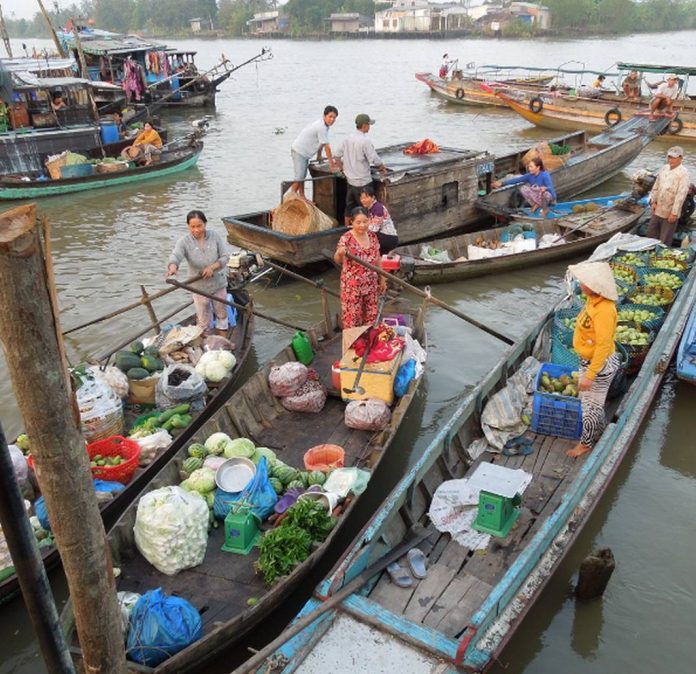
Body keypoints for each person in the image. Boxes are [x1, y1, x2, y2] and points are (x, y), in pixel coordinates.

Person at [566, 261, 621, 459]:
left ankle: (585, 444)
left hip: (599, 365)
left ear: (595, 286)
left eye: (584, 281)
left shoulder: (605, 310)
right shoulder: (592, 300)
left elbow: (604, 347)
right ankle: (599, 431)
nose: (580, 283)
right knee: (592, 403)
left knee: (589, 407)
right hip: (587, 361)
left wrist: (590, 375)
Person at [166, 210, 230, 336]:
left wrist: (212, 267)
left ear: (205, 224)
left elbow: (224, 257)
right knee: (203, 320)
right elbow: (176, 255)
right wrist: (173, 267)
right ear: (188, 226)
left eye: (199, 226)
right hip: (199, 287)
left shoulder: (214, 236)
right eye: (192, 227)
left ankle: (224, 342)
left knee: (221, 314)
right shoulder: (184, 241)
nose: (196, 230)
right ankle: (207, 343)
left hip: (218, 283)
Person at [334, 206, 386, 329]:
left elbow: (378, 258)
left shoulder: (373, 236)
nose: (362, 225)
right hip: (352, 288)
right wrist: (340, 252)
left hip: (371, 285)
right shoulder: (346, 238)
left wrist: (382, 279)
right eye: (358, 222)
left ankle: (368, 342)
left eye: (365, 221)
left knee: (371, 316)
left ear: (369, 220)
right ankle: (352, 345)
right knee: (352, 318)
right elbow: (337, 259)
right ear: (352, 222)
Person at [334, 113, 388, 226]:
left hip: (350, 181)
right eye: (369, 124)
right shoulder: (365, 141)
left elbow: (337, 155)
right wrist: (382, 167)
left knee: (349, 207)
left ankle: (347, 230)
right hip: (363, 182)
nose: (369, 127)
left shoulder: (347, 139)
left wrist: (342, 168)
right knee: (367, 209)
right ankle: (367, 232)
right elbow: (374, 159)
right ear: (364, 125)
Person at [290, 105, 338, 200]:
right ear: (324, 116)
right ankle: (289, 199)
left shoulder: (325, 126)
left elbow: (321, 142)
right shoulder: (321, 127)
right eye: (330, 116)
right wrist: (332, 165)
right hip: (299, 151)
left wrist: (319, 156)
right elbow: (327, 147)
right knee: (299, 177)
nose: (332, 119)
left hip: (305, 153)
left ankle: (302, 196)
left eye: (334, 118)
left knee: (303, 175)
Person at [647, 146, 691, 246]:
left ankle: (660, 258)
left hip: (669, 212)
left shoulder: (683, 173)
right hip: (657, 209)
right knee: (650, 234)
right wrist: (653, 202)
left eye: (674, 157)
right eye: (669, 157)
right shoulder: (664, 168)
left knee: (665, 240)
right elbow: (656, 186)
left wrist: (674, 213)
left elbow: (681, 195)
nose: (671, 160)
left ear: (680, 158)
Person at [492, 157, 557, 216]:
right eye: (529, 167)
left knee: (546, 194)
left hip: (549, 198)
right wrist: (502, 183)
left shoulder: (545, 175)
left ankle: (538, 206)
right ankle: (537, 204)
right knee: (523, 188)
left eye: (531, 167)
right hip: (538, 197)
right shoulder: (530, 175)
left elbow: (550, 187)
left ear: (538, 167)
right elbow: (517, 180)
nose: (529, 169)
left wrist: (545, 188)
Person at [359, 185, 399, 253]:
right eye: (362, 198)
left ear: (373, 197)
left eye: (366, 197)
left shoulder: (378, 208)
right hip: (383, 237)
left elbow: (374, 229)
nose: (363, 200)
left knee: (366, 235)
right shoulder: (369, 208)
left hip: (389, 238)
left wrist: (360, 227)